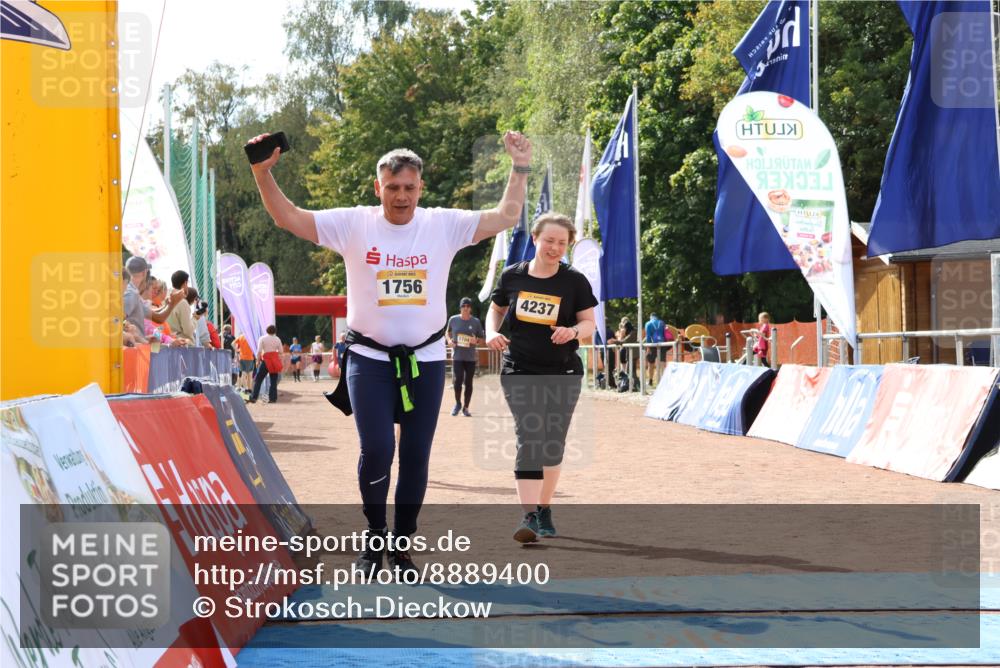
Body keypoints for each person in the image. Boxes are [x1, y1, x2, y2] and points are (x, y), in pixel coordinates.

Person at [247, 129, 531, 578]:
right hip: (369, 360)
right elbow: (289, 218)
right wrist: (262, 173)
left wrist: (518, 168)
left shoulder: (442, 224)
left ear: (421, 187)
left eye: (409, 188)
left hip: (426, 358)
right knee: (377, 449)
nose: (401, 197)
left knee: (416, 455)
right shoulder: (354, 223)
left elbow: (505, 216)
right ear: (377, 187)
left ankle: (402, 546)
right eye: (392, 187)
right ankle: (374, 538)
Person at [486, 212, 597, 543]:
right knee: (530, 437)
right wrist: (492, 331)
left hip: (562, 370)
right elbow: (497, 307)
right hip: (519, 367)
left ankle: (544, 508)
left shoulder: (574, 281)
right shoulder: (512, 276)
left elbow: (589, 326)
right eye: (549, 240)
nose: (555, 248)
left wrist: (572, 331)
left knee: (552, 444)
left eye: (562, 243)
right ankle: (530, 515)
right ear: (535, 239)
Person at [122, 256, 183, 336]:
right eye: (154, 288)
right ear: (144, 272)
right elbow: (116, 321)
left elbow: (159, 318)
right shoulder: (131, 294)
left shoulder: (133, 293)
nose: (155, 292)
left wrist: (170, 304)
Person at [446, 297, 485, 417]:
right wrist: (449, 341)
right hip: (457, 356)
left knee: (469, 383)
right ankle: (457, 404)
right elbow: (447, 333)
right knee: (457, 382)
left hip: (470, 358)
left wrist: (476, 340)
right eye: (464, 306)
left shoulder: (476, 322)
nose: (466, 308)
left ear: (471, 308)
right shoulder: (453, 319)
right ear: (460, 308)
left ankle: (466, 408)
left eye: (468, 306)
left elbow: (482, 339)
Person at [249, 325, 283, 404]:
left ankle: (254, 397)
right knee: (273, 381)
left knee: (258, 379)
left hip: (265, 361)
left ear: (267, 330)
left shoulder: (262, 338)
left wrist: (257, 361)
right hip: (274, 361)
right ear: (275, 331)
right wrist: (274, 353)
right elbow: (281, 351)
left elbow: (259, 351)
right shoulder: (277, 339)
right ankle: (273, 399)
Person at [165, 270, 197, 343]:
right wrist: (195, 319)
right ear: (185, 283)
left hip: (166, 341)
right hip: (181, 344)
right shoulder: (182, 302)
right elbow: (188, 331)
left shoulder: (164, 297)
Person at [643, 313, 668, 386]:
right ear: (657, 317)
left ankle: (650, 381)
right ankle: (662, 381)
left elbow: (648, 336)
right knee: (662, 363)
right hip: (662, 344)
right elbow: (664, 334)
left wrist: (648, 347)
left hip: (652, 345)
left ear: (650, 317)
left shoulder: (648, 323)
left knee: (651, 363)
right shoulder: (662, 322)